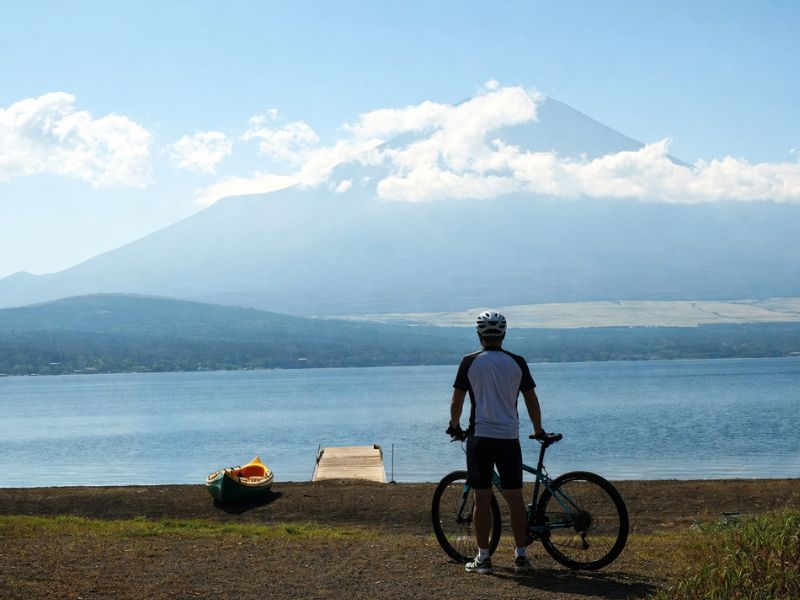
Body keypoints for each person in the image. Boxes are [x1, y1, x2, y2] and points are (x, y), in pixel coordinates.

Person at [447, 309, 544, 575]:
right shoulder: (517, 362)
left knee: (482, 497)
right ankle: (521, 557)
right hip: (509, 438)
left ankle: (484, 558)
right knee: (514, 499)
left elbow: (457, 401)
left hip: (481, 437)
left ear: (479, 334)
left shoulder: (469, 361)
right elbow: (530, 399)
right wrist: (537, 428)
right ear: (504, 334)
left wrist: (454, 426)